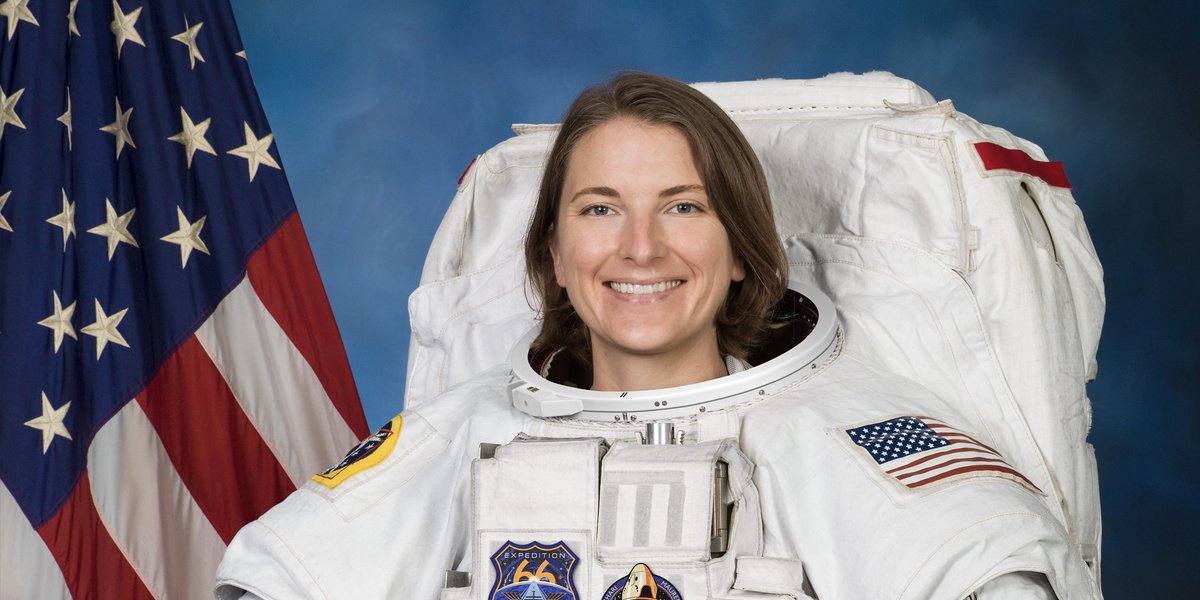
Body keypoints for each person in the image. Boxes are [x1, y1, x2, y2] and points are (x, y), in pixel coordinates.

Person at [215, 73, 1099, 599]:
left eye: (684, 207)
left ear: (744, 249)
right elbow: (277, 576)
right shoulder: (457, 435)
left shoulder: (850, 436)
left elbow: (992, 568)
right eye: (601, 209)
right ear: (555, 254)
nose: (641, 247)